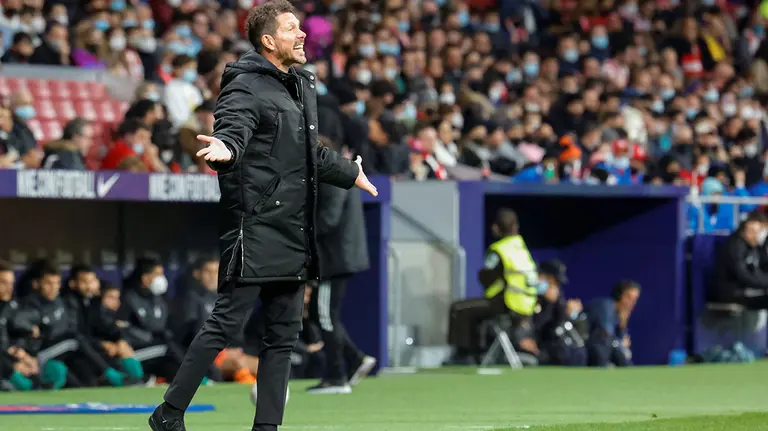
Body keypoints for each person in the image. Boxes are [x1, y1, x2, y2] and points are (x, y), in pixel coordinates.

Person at [149, 1, 377, 430]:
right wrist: (226, 147)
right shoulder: (244, 84)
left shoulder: (301, 84)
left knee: (283, 338)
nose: (302, 34)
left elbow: (310, 153)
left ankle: (266, 427)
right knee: (224, 325)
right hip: (254, 227)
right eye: (291, 28)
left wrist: (350, 173)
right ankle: (169, 413)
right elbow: (233, 128)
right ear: (269, 41)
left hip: (293, 229)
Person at [307, 136, 376, 394]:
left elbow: (329, 219)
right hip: (339, 256)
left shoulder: (333, 176)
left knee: (325, 316)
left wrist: (301, 233)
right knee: (320, 314)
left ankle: (336, 377)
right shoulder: (340, 173)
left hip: (333, 259)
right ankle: (355, 358)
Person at [446, 208, 539, 364]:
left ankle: (464, 356)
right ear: (515, 227)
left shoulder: (499, 250)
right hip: (526, 306)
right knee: (476, 310)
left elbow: (486, 277)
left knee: (459, 309)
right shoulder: (521, 248)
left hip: (508, 303)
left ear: (496, 227)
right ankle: (479, 352)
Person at [711, 211, 768, 309]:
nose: (758, 235)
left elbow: (757, 271)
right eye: (754, 232)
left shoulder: (754, 247)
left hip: (748, 290)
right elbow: (742, 274)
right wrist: (764, 284)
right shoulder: (735, 247)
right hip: (733, 293)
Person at [584, 280, 641, 367]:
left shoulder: (619, 314)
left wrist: (622, 324)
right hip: (589, 348)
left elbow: (620, 340)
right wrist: (620, 343)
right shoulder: (606, 306)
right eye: (628, 297)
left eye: (634, 299)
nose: (631, 303)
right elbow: (606, 335)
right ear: (619, 295)